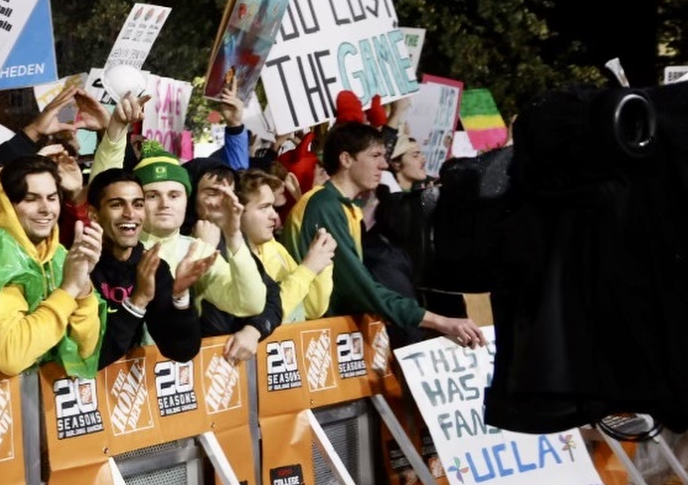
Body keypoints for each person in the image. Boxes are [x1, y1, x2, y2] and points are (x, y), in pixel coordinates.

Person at [284, 122, 484, 347]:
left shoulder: (346, 208)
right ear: (346, 159)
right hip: (309, 337)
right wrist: (439, 321)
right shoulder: (324, 205)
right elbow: (360, 286)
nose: (383, 164)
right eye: (375, 155)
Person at [0, 156, 104, 376]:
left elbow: (83, 351)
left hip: (40, 401)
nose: (46, 209)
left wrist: (83, 286)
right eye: (31, 199)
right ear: (7, 204)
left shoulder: (59, 255)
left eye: (51, 198)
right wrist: (68, 290)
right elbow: (11, 356)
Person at [84, 167, 202, 365]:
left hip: (127, 391)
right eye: (116, 205)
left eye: (138, 204)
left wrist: (180, 298)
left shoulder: (152, 267)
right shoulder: (81, 266)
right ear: (94, 215)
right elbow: (91, 358)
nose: (130, 214)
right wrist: (137, 301)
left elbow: (182, 351)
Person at [133, 148, 267, 321]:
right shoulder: (121, 248)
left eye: (174, 195)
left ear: (185, 201)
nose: (164, 204)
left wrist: (233, 236)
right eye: (152, 196)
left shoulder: (197, 250)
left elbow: (250, 304)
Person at [237, 168, 335, 323]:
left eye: (273, 207)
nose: (274, 216)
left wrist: (322, 265)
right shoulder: (229, 258)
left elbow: (311, 310)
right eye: (264, 207)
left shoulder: (274, 248)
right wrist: (309, 267)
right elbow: (267, 316)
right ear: (237, 211)